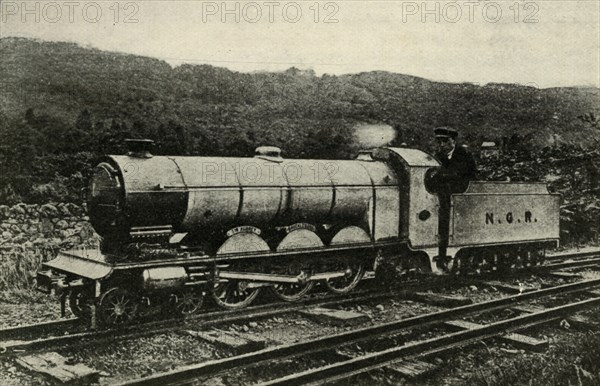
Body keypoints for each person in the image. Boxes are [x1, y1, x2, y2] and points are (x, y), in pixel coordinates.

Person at [429, 127, 477, 271]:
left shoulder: (465, 155)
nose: (442, 145)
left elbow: (464, 176)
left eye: (445, 141)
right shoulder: (437, 157)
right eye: (439, 141)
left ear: (453, 141)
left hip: (461, 199)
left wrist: (442, 176)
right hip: (444, 198)